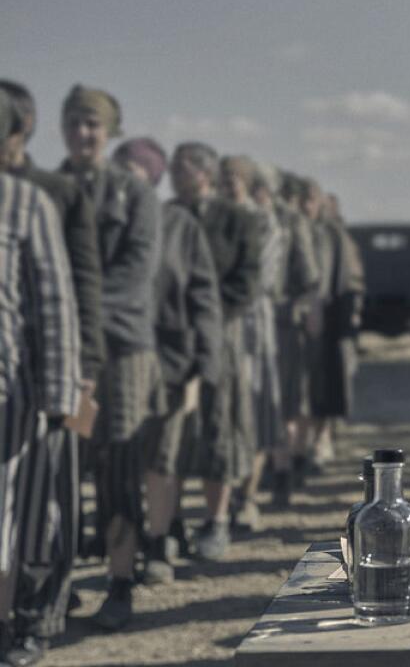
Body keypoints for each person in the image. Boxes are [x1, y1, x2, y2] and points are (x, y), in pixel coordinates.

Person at [0, 80, 102, 659]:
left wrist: (79, 374)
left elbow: (78, 288)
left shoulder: (49, 194)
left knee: (44, 507)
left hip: (43, 381)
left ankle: (38, 614)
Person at [57, 84, 161, 631]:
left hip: (119, 354)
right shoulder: (45, 189)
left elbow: (135, 274)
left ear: (110, 130)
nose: (83, 133)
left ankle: (120, 583)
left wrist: (75, 320)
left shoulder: (134, 195)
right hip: (60, 357)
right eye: (74, 123)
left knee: (118, 466)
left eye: (93, 124)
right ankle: (59, 583)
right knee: (61, 467)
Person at [113, 137, 222, 586]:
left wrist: (204, 367)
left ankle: (158, 544)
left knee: (162, 459)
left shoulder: (178, 225)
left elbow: (204, 297)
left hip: (172, 363)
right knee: (119, 462)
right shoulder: (99, 221)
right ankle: (121, 548)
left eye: (132, 173)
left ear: (151, 179)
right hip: (115, 361)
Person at [168, 142, 262, 561]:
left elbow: (249, 278)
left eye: (184, 168)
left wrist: (209, 313)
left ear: (204, 173)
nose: (175, 175)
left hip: (220, 336)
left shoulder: (237, 220)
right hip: (169, 338)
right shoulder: (166, 217)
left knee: (218, 427)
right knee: (168, 431)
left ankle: (217, 519)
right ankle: (167, 523)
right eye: (173, 168)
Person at [219, 155, 283, 530]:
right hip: (218, 330)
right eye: (223, 178)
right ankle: (223, 501)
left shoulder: (263, 222)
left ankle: (248, 496)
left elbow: (262, 276)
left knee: (255, 416)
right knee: (223, 420)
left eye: (235, 178)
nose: (229, 184)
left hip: (253, 330)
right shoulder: (210, 219)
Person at [261, 166, 319, 505]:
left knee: (283, 402)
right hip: (249, 325)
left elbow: (309, 277)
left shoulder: (291, 222)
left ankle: (284, 472)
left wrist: (304, 313)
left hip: (283, 324)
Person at [300, 178, 364, 467]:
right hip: (299, 321)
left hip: (329, 320)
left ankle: (322, 437)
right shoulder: (299, 231)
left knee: (325, 383)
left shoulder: (333, 236)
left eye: (310, 200)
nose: (305, 207)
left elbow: (349, 279)